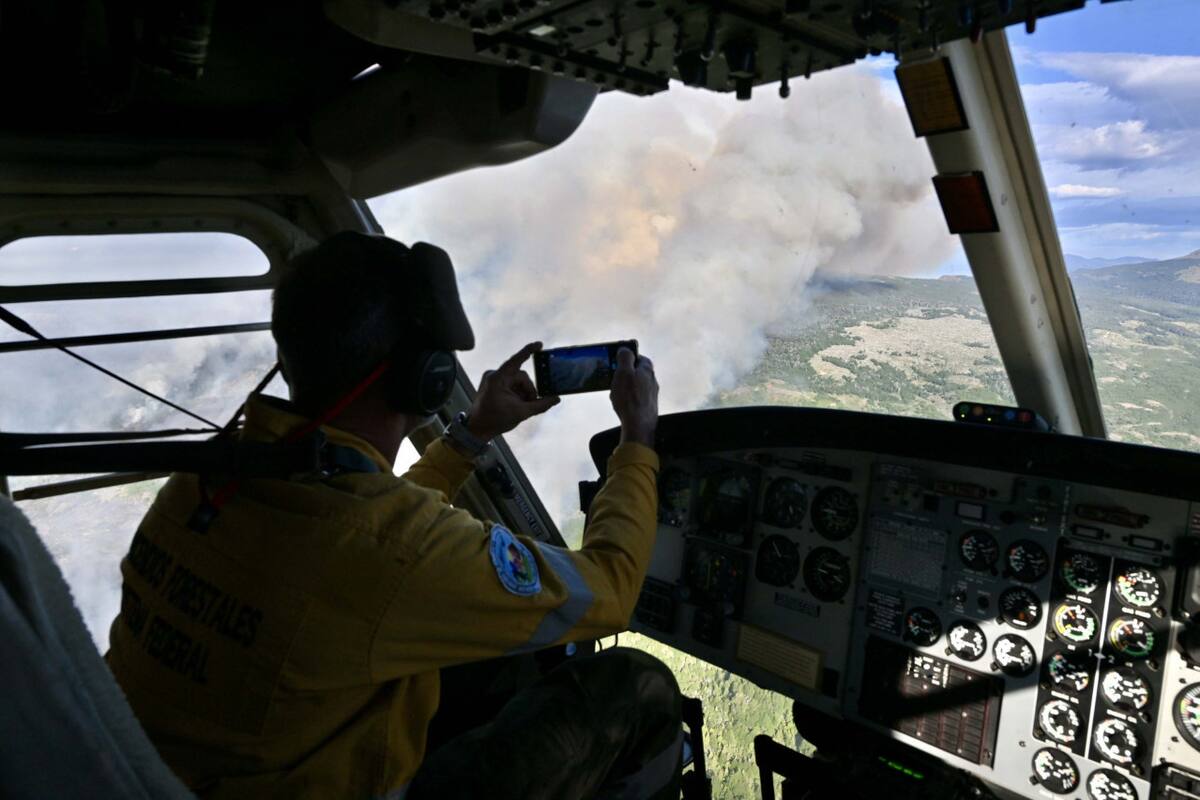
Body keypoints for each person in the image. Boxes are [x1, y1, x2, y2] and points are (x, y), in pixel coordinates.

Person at [105, 231, 682, 800]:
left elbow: (366, 538)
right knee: (634, 686)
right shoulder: (387, 551)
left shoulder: (205, 484)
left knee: (509, 662)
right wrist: (637, 437)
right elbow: (611, 592)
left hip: (173, 769)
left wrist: (473, 433)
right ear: (427, 379)